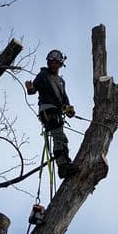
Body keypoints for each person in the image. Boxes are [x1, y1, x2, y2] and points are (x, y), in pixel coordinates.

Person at [25, 49, 78, 179]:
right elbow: (33, 90)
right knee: (59, 137)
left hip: (57, 112)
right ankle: (62, 167)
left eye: (56, 63)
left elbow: (64, 98)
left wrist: (69, 110)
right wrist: (30, 88)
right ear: (48, 63)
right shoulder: (43, 75)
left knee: (62, 138)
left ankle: (65, 162)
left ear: (60, 65)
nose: (54, 65)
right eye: (52, 63)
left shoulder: (61, 81)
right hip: (47, 111)